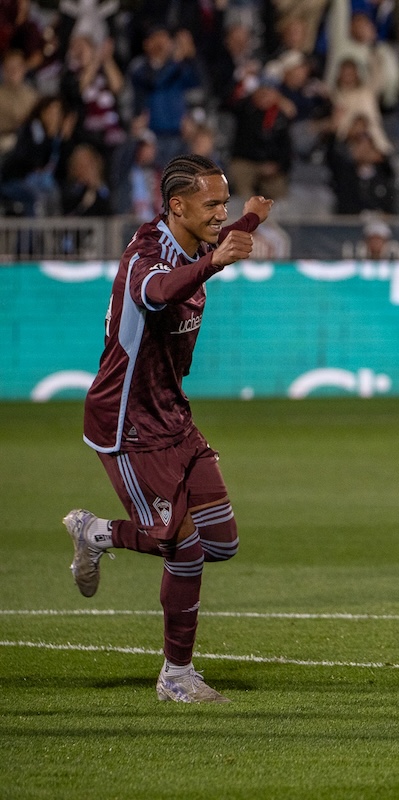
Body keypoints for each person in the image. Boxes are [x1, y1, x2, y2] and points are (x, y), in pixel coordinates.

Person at [62, 154, 272, 703]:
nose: (220, 215)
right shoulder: (145, 255)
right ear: (176, 206)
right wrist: (219, 258)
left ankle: (97, 533)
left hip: (174, 416)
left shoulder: (197, 240)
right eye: (212, 205)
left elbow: (218, 244)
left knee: (220, 542)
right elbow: (156, 292)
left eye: (224, 203)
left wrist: (249, 219)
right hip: (128, 423)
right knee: (181, 546)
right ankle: (176, 676)